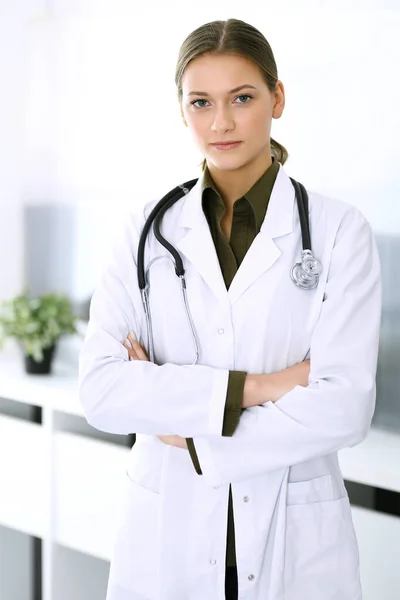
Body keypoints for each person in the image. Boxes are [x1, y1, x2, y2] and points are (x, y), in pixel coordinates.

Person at [78, 17, 382, 600]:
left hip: (295, 540)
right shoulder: (146, 231)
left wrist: (189, 429)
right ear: (182, 110)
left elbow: (344, 406)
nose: (220, 122)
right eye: (201, 102)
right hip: (167, 536)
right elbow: (102, 390)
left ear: (278, 98)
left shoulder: (340, 232)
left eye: (242, 98)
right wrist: (264, 386)